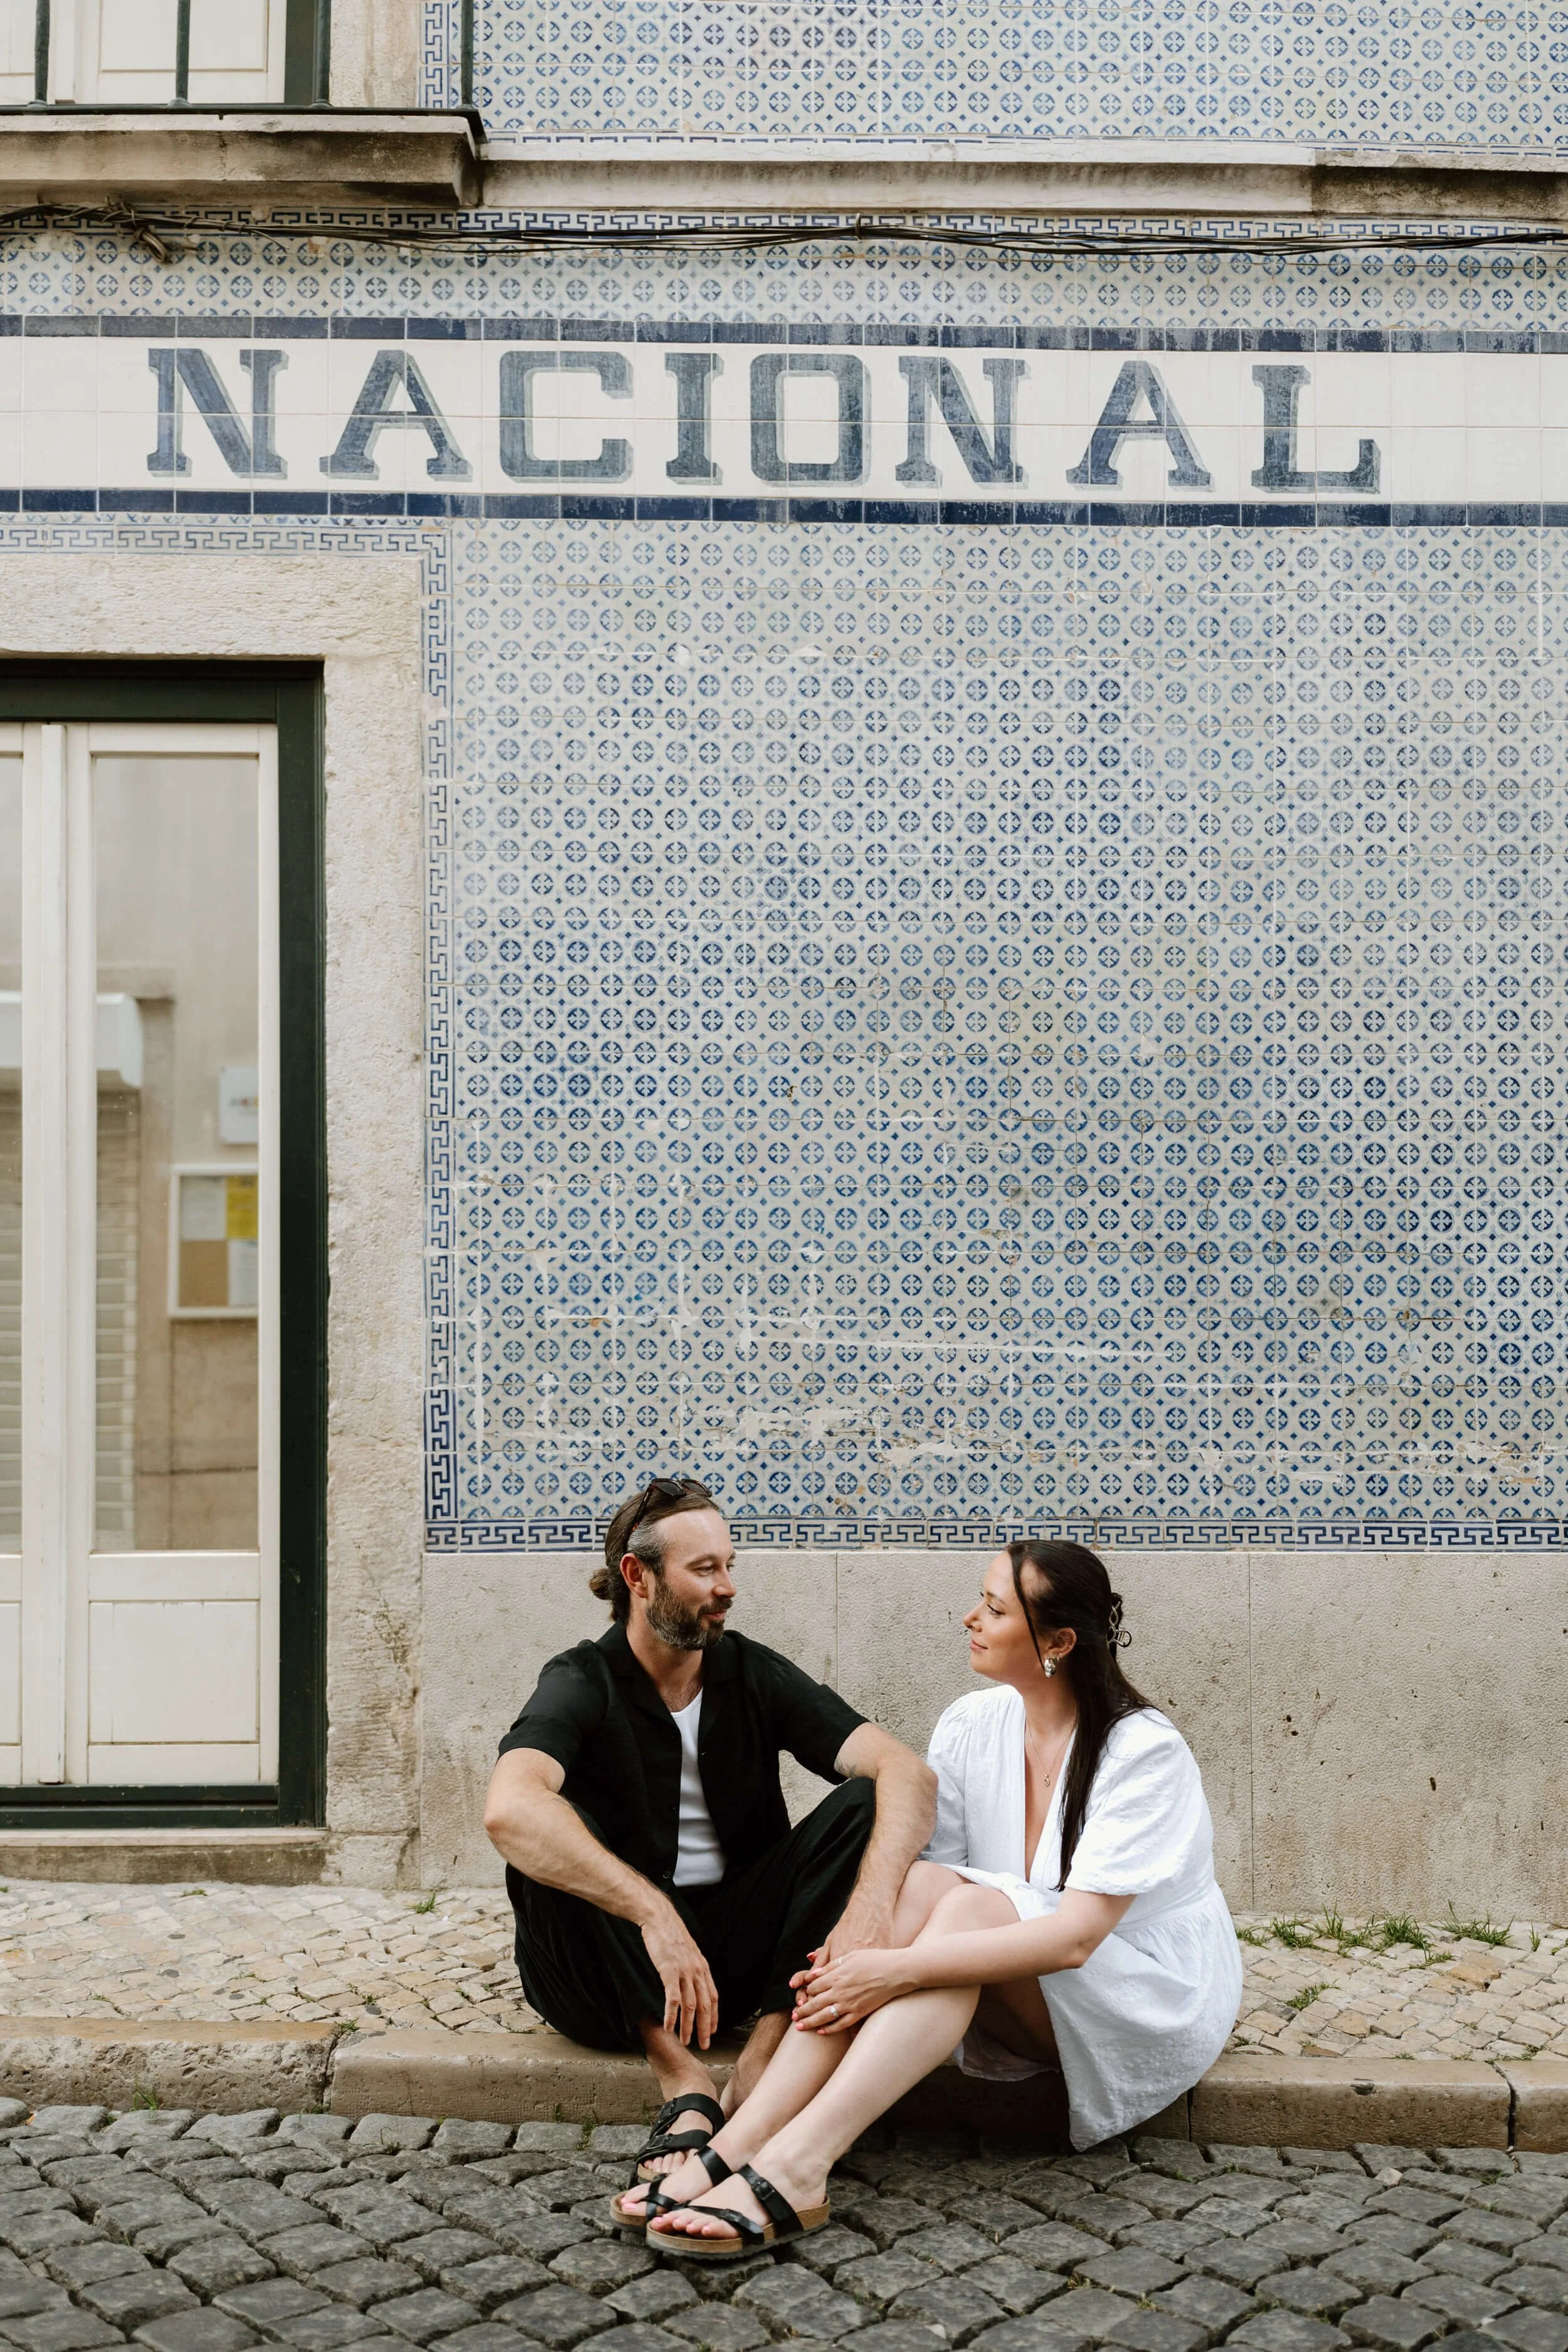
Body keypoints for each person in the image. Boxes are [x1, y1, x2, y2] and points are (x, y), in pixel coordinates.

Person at [644, 1539, 1241, 2257]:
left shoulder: (1142, 1751)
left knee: (962, 1911)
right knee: (928, 1886)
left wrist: (891, 1971)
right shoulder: (970, 1723)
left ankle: (800, 2163)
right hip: (1020, 1979)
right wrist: (866, 1945)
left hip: (1141, 1998)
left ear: (1058, 1643)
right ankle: (741, 2142)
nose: (970, 1618)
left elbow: (1077, 1937)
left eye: (994, 1609)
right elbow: (932, 1883)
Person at [482, 1474, 937, 2217]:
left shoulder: (748, 1670)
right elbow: (508, 1809)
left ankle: (766, 2054)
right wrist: (653, 1914)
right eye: (704, 1570)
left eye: (728, 1566)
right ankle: (682, 2077)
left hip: (728, 1962)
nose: (727, 1587)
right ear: (638, 1577)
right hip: (603, 1974)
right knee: (553, 1830)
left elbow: (905, 1772)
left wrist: (872, 1909)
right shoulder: (582, 1679)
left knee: (863, 1801)